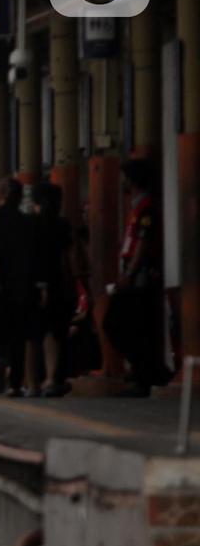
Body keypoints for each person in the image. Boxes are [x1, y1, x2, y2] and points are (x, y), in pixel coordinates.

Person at [105, 159, 167, 396]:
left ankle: (145, 374)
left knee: (119, 323)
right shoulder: (137, 206)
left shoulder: (147, 208)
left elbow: (143, 243)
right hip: (134, 273)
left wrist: (129, 274)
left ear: (133, 179)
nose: (122, 182)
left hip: (141, 276)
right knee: (134, 326)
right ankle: (147, 372)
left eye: (125, 177)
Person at [0, 178, 36, 396]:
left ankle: (1, 359)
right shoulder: (28, 222)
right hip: (21, 285)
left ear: (1, 194)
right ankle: (16, 383)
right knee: (18, 334)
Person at [29, 181, 75, 397]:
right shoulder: (62, 225)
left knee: (39, 333)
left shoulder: (32, 224)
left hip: (36, 283)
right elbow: (68, 258)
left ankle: (35, 380)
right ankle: (53, 377)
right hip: (59, 283)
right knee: (57, 332)